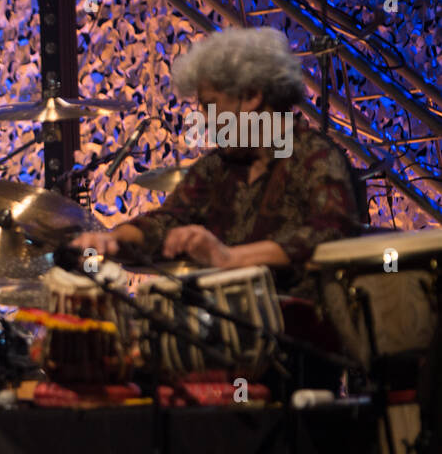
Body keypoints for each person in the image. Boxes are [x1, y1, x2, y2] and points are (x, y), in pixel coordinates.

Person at [72, 26, 362, 298]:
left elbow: (331, 230)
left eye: (211, 105)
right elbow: (169, 220)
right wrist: (114, 240)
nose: (207, 120)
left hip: (308, 332)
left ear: (251, 97)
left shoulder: (314, 156)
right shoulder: (218, 167)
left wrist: (229, 259)